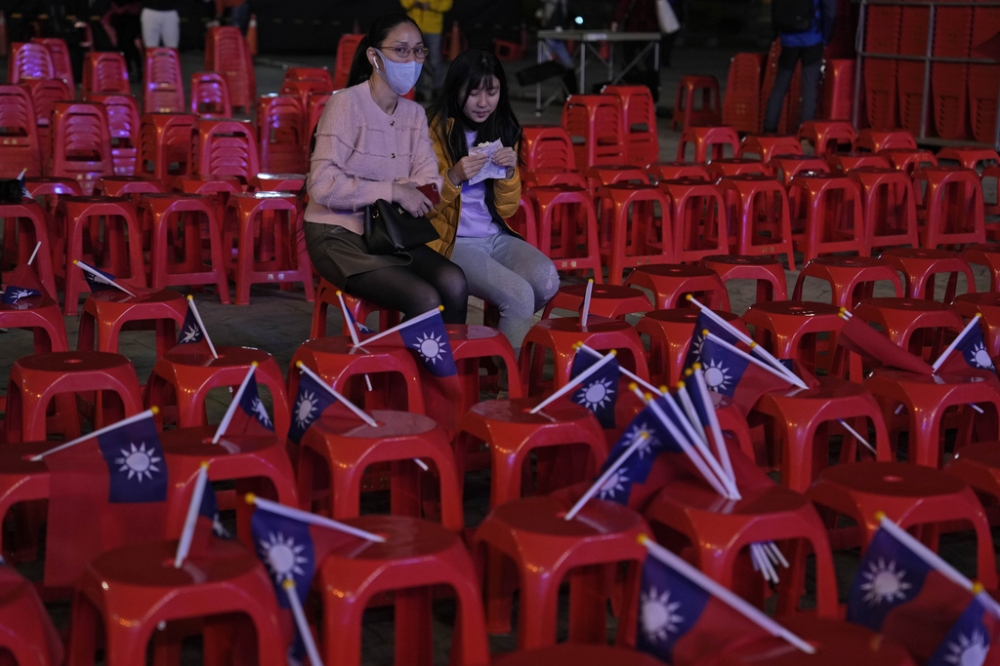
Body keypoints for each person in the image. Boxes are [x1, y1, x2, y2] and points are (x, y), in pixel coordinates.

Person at [304, 13, 468, 324]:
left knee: (454, 281)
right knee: (425, 297)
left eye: (419, 51)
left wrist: (410, 193)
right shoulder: (345, 105)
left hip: (391, 233)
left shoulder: (415, 114)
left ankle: (447, 370)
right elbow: (323, 186)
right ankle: (413, 372)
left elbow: (429, 187)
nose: (413, 60)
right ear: (374, 56)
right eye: (401, 50)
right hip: (338, 234)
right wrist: (395, 190)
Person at [426, 49, 560, 352]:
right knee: (519, 296)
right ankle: (508, 385)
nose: (484, 103)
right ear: (456, 89)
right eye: (473, 93)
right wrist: (454, 177)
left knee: (547, 281)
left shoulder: (501, 128)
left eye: (492, 92)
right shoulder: (433, 128)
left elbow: (507, 209)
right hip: (449, 241)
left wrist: (510, 172)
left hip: (494, 236)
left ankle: (499, 347)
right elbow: (420, 205)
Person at [762, 0, 837, 134]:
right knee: (809, 87)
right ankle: (805, 133)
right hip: (813, 38)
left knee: (779, 86)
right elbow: (830, 9)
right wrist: (826, 37)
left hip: (788, 38)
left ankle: (769, 129)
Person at [400, 0, 452, 101]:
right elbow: (404, 2)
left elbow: (447, 3)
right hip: (414, 26)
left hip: (434, 28)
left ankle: (437, 89)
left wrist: (431, 5)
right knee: (415, 60)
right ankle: (418, 90)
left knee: (435, 60)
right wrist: (413, 3)